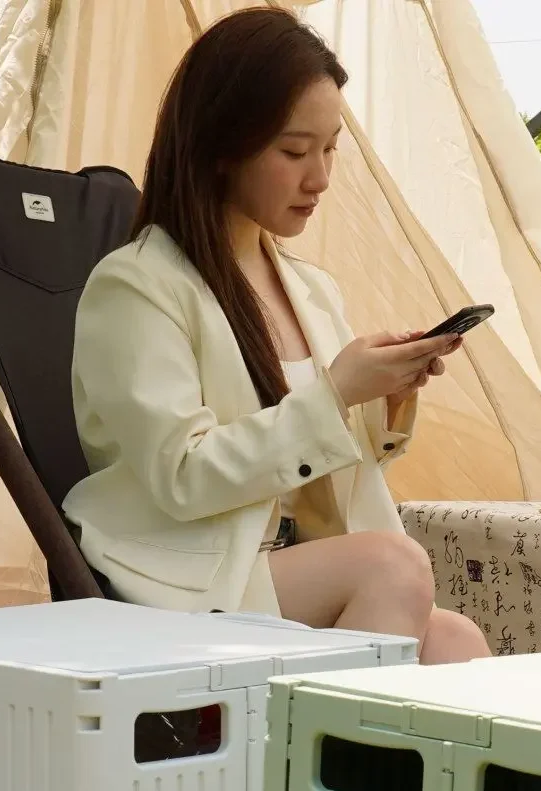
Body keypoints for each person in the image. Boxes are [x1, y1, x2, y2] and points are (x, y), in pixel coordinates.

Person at [66, 9, 490, 664]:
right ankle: (334, 760)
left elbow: (326, 452)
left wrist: (388, 393)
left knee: (455, 638)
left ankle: (383, 765)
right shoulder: (137, 287)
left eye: (330, 149)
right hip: (194, 568)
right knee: (391, 567)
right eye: (294, 152)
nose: (319, 177)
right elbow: (183, 475)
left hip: (291, 562)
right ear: (222, 147)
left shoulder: (308, 287)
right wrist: (334, 392)